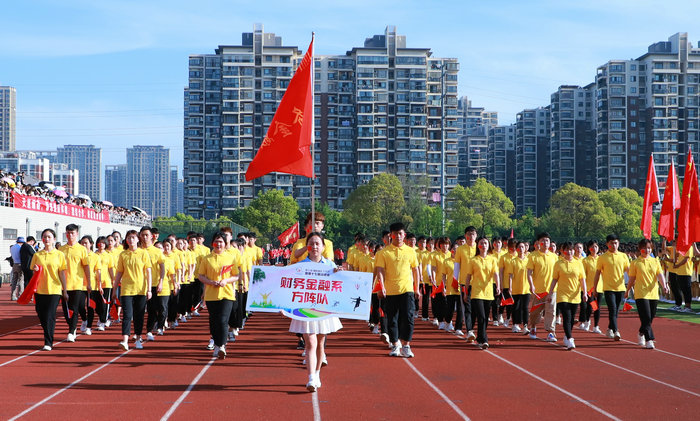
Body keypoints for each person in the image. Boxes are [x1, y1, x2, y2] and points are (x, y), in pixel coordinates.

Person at [288, 232, 343, 392]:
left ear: (323, 247)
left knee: (320, 343)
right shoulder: (300, 267)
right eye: (311, 244)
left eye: (318, 243)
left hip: (323, 309)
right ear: (307, 247)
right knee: (310, 342)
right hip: (305, 310)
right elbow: (290, 287)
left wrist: (339, 275)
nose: (315, 247)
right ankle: (311, 377)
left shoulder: (331, 266)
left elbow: (340, 288)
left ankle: (317, 373)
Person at [376, 222, 420, 358]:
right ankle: (395, 344)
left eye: (400, 234)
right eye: (395, 234)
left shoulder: (411, 251)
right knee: (392, 319)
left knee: (408, 317)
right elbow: (380, 271)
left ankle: (406, 345)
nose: (398, 236)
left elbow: (415, 270)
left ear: (404, 235)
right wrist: (382, 287)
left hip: (407, 289)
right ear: (391, 235)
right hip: (390, 291)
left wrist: (416, 288)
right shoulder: (384, 253)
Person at [198, 232, 240, 359]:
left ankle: (222, 345)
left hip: (227, 294)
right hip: (211, 295)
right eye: (216, 241)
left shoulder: (230, 258)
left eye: (221, 241)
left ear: (225, 243)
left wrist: (226, 281)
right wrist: (210, 282)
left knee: (223, 320)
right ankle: (216, 344)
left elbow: (236, 275)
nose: (219, 244)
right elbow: (201, 276)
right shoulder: (207, 259)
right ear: (212, 243)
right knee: (214, 321)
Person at [112, 230, 152, 350]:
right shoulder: (123, 255)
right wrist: (114, 289)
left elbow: (148, 272)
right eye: (128, 238)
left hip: (140, 289)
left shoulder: (143, 253)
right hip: (126, 289)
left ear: (138, 239)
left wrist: (149, 289)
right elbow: (119, 272)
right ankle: (125, 340)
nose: (131, 240)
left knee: (139, 315)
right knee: (127, 315)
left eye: (133, 238)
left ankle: (138, 338)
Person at [626, 239, 670, 349]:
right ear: (640, 248)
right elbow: (632, 278)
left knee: (650, 317)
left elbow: (660, 275)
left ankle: (641, 332)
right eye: (644, 248)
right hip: (641, 293)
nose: (647, 250)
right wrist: (627, 290)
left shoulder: (655, 261)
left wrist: (664, 285)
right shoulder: (635, 263)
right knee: (645, 316)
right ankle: (649, 339)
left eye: (649, 248)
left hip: (653, 292)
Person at [30, 229, 67, 351]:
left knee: (50, 316)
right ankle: (48, 334)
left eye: (49, 237)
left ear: (54, 239)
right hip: (40, 290)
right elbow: (32, 272)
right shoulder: (37, 255)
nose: (47, 239)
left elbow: (62, 273)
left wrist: (64, 290)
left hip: (54, 289)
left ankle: (48, 342)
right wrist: (35, 270)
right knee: (41, 315)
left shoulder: (59, 255)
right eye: (44, 237)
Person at [549, 242, 587, 350]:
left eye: (571, 250)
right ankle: (570, 339)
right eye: (567, 250)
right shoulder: (558, 264)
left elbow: (582, 279)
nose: (569, 252)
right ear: (562, 251)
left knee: (571, 319)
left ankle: (567, 335)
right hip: (562, 295)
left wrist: (584, 293)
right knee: (567, 317)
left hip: (575, 295)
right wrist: (550, 292)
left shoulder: (578, 263)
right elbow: (554, 279)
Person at [465, 236, 500, 349]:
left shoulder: (492, 259)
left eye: (485, 243)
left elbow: (495, 274)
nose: (483, 245)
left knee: (485, 317)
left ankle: (480, 337)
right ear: (478, 245)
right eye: (481, 243)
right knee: (481, 316)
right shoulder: (473, 260)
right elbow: (468, 276)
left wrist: (498, 286)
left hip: (488, 292)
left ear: (488, 245)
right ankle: (484, 339)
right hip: (476, 292)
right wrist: (466, 291)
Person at [593, 234, 630, 341]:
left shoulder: (623, 256)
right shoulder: (603, 258)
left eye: (615, 243)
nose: (614, 245)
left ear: (618, 243)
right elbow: (597, 274)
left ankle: (610, 328)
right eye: (611, 243)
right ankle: (615, 331)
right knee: (612, 309)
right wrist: (595, 288)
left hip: (620, 288)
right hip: (608, 288)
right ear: (607, 244)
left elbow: (629, 271)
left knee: (615, 311)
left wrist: (633, 283)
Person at [60, 224, 91, 342]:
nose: (70, 235)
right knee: (66, 309)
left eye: (72, 233)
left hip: (77, 284)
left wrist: (88, 283)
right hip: (64, 284)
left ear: (77, 234)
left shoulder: (82, 249)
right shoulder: (61, 249)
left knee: (74, 308)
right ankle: (72, 326)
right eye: (68, 233)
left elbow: (86, 267)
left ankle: (71, 331)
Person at [527, 232, 558, 342]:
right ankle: (533, 327)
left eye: (547, 241)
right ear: (538, 243)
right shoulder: (533, 256)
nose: (545, 243)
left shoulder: (554, 257)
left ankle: (550, 332)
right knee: (535, 312)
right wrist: (531, 285)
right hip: (538, 290)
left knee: (551, 311)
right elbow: (529, 272)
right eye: (543, 240)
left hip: (551, 290)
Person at [509, 241, 531, 334]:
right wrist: (510, 287)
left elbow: (531, 274)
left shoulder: (528, 260)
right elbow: (510, 275)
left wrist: (532, 285)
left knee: (525, 307)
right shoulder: (513, 261)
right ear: (516, 249)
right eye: (519, 247)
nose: (521, 249)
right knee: (516, 307)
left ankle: (525, 325)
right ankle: (515, 324)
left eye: (523, 247)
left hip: (526, 288)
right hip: (516, 287)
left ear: (525, 249)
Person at [581, 241, 602, 333]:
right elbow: (583, 275)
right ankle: (587, 322)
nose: (594, 249)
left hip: (600, 287)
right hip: (590, 288)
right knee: (591, 306)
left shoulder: (601, 259)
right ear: (589, 248)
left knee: (597, 307)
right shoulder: (585, 260)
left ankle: (596, 326)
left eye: (596, 247)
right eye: (592, 247)